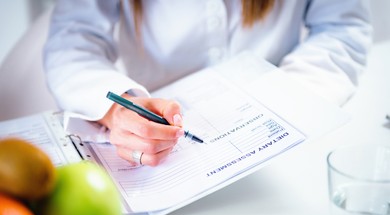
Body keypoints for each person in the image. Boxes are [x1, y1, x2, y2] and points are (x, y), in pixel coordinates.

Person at [43, 0, 372, 167]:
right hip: (161, 140)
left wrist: (286, 104)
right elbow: (72, 43)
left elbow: (341, 29)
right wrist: (116, 109)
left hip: (284, 144)